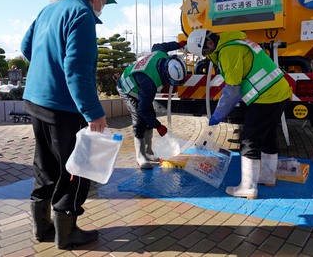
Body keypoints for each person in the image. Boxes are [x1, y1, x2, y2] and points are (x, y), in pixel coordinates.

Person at [21, 0, 116, 249]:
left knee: (46, 166)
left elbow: (27, 48)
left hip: (37, 101)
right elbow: (77, 70)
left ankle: (43, 228)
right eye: (103, 1)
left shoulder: (48, 9)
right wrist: (93, 113)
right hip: (64, 108)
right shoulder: (83, 15)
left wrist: (47, 69)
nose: (101, 8)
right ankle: (67, 233)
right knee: (75, 170)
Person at [187, 29, 291, 199]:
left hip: (267, 96)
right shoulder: (237, 42)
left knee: (249, 139)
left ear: (210, 43)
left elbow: (232, 91)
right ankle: (268, 176)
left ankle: (248, 187)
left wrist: (218, 115)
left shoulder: (228, 50)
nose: (206, 56)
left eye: (205, 52)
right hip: (279, 92)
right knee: (268, 135)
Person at [117, 41, 187, 169]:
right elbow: (142, 110)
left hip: (139, 85)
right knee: (139, 119)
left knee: (150, 116)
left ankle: (149, 152)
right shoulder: (150, 84)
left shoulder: (161, 55)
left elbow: (158, 46)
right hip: (127, 88)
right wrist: (158, 126)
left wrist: (178, 44)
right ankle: (140, 156)